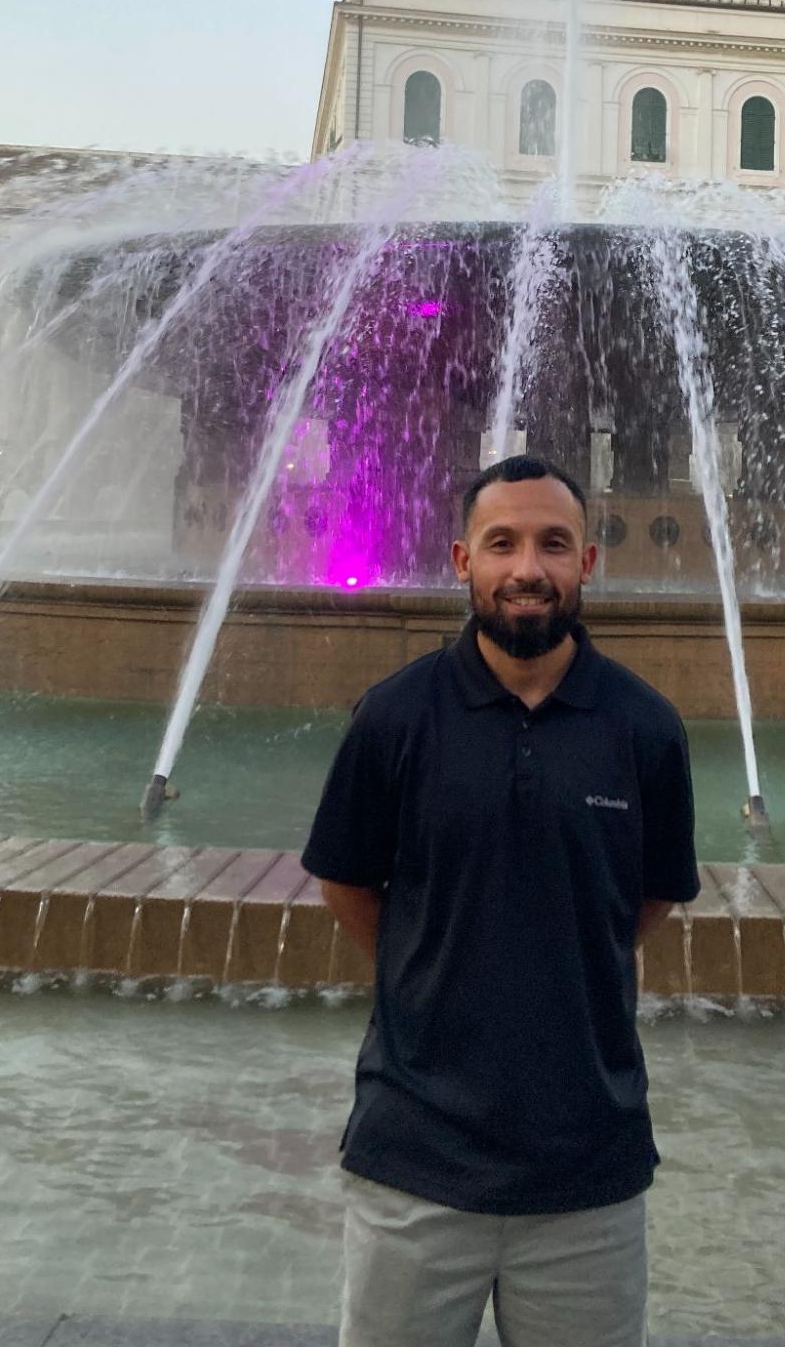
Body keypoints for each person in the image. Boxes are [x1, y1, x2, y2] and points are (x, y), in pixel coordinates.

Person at [302, 453, 699, 1347]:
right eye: (503, 543)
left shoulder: (645, 729)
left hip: (586, 1173)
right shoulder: (394, 718)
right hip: (414, 1161)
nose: (529, 568)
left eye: (554, 544)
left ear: (587, 562)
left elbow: (651, 898)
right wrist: (434, 964)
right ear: (462, 559)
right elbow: (346, 882)